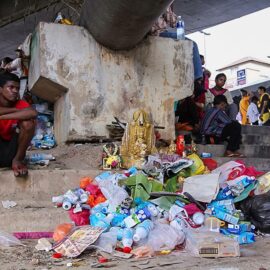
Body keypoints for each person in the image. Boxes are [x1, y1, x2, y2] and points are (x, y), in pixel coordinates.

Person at [0, 72, 37, 176]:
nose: (15, 91)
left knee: (28, 123)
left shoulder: (19, 103)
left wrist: (4, 116)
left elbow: (32, 112)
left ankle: (18, 160)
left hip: (13, 151)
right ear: (0, 89)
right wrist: (16, 111)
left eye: (17, 88)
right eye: (11, 87)